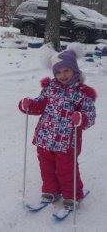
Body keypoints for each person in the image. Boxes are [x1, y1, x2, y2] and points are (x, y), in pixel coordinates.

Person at [18, 47, 97, 208]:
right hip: (45, 138)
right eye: (59, 72)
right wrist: (28, 105)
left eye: (66, 70)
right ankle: (51, 190)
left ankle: (71, 195)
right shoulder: (50, 89)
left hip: (66, 142)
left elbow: (90, 115)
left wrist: (81, 118)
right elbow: (39, 105)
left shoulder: (81, 93)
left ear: (74, 70)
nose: (63, 75)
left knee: (66, 170)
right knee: (46, 167)